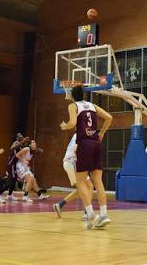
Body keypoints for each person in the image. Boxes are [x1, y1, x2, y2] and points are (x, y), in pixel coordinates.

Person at [60, 84, 113, 229]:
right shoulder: (92, 105)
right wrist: (101, 133)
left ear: (72, 95)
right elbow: (109, 117)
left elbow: (72, 123)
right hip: (96, 143)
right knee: (98, 181)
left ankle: (90, 214)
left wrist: (64, 126)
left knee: (80, 182)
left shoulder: (73, 106)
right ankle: (104, 215)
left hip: (84, 144)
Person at [53, 133, 94, 219]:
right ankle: (87, 213)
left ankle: (60, 205)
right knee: (89, 186)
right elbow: (76, 150)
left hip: (69, 162)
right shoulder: (83, 134)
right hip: (72, 162)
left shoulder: (77, 133)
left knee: (81, 189)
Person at [0, 133, 30, 201]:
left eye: (22, 136)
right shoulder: (16, 143)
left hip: (15, 164)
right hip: (11, 164)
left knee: (14, 179)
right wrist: (22, 141)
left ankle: (10, 194)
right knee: (11, 181)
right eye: (20, 136)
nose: (21, 137)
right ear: (17, 138)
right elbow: (11, 148)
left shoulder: (21, 145)